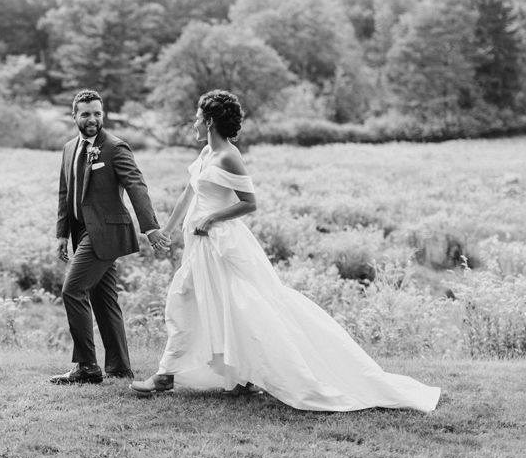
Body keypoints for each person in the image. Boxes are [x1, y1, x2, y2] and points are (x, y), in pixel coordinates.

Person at [130, 90, 441, 412]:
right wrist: (165, 231)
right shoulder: (207, 152)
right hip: (199, 243)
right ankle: (236, 377)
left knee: (228, 304)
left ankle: (169, 375)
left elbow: (249, 203)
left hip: (221, 243)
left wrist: (211, 216)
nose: (193, 122)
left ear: (208, 121)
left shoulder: (228, 157)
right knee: (208, 304)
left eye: (197, 117)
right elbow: (188, 194)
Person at [52, 89, 171, 385]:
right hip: (81, 233)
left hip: (107, 231)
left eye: (97, 114)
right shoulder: (69, 148)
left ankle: (87, 367)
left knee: (72, 290)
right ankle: (119, 367)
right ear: (74, 116)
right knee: (104, 298)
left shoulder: (115, 147)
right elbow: (65, 193)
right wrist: (62, 234)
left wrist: (151, 227)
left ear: (102, 115)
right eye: (86, 114)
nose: (92, 120)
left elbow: (136, 185)